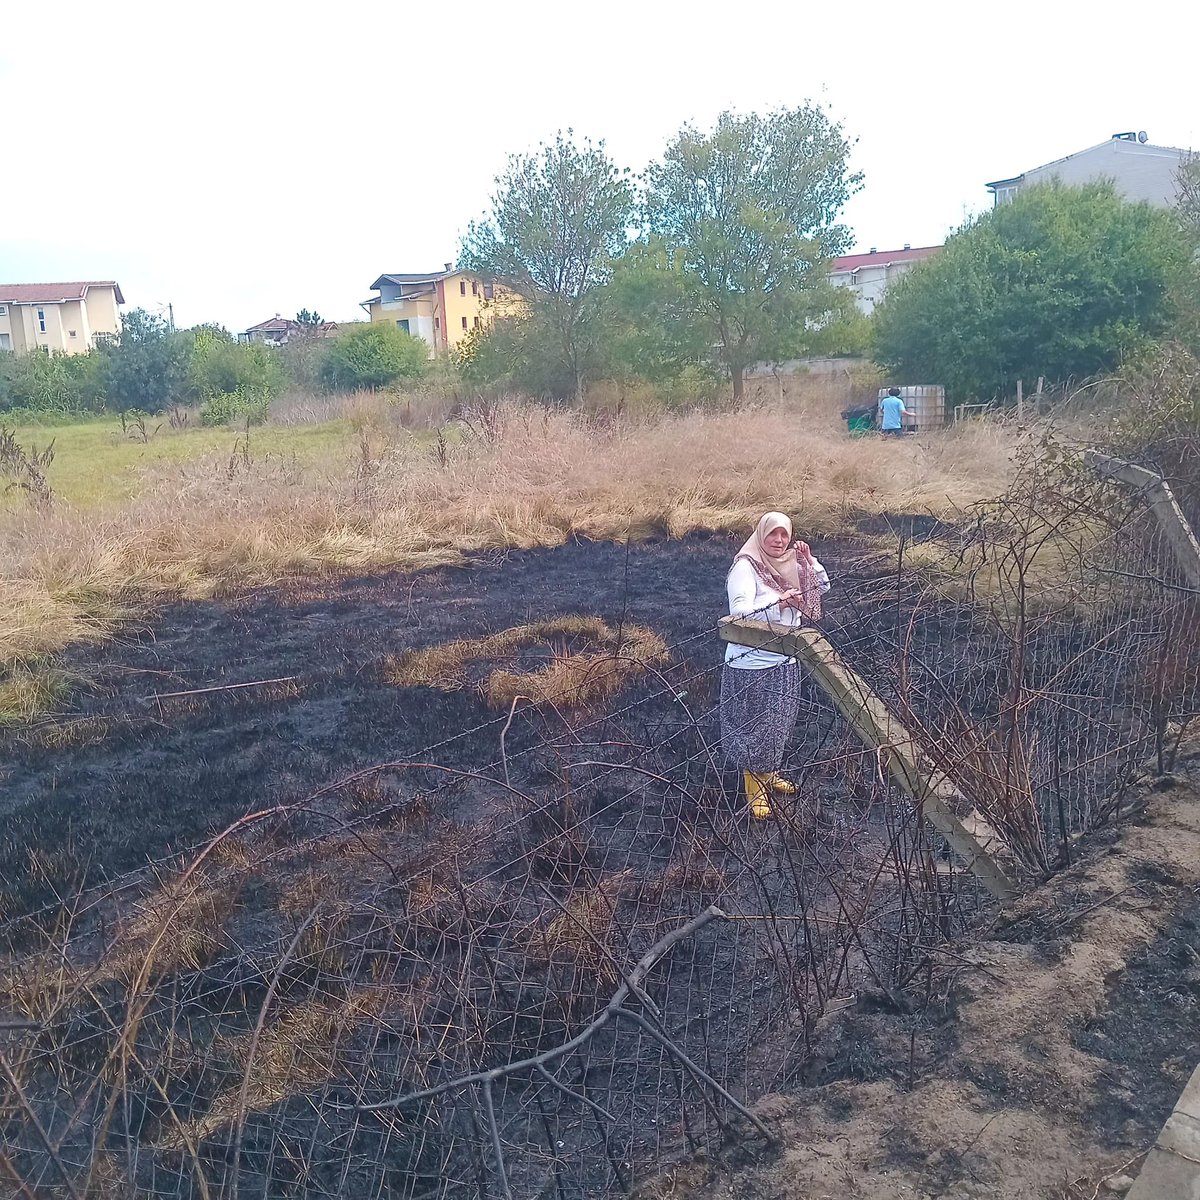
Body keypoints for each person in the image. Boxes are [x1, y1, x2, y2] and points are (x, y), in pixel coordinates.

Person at [720, 512, 831, 819]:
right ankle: (754, 788)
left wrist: (810, 562)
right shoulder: (746, 566)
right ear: (761, 535)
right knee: (755, 728)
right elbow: (738, 613)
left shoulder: (790, 563)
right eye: (773, 535)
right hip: (751, 664)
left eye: (784, 535)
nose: (779, 541)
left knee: (778, 725)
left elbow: (821, 588)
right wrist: (778, 604)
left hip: (785, 660)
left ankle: (769, 775)